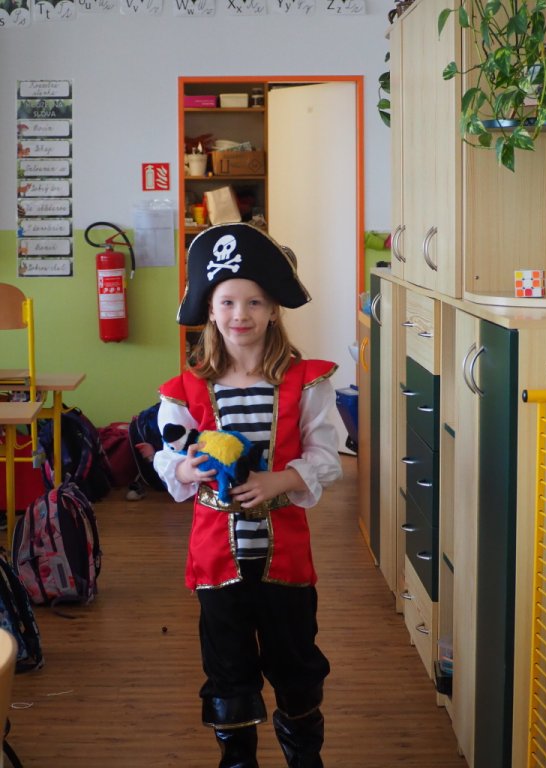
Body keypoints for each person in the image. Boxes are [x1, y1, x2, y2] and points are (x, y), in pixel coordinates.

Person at [153, 222, 343, 768]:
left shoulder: (305, 381)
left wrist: (281, 480)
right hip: (216, 558)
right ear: (210, 311)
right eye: (229, 302)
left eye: (255, 301)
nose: (242, 314)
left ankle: (305, 758)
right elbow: (167, 456)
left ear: (274, 309)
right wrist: (184, 467)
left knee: (296, 664)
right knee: (228, 670)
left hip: (286, 556)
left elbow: (328, 456)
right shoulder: (185, 389)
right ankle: (237, 761)